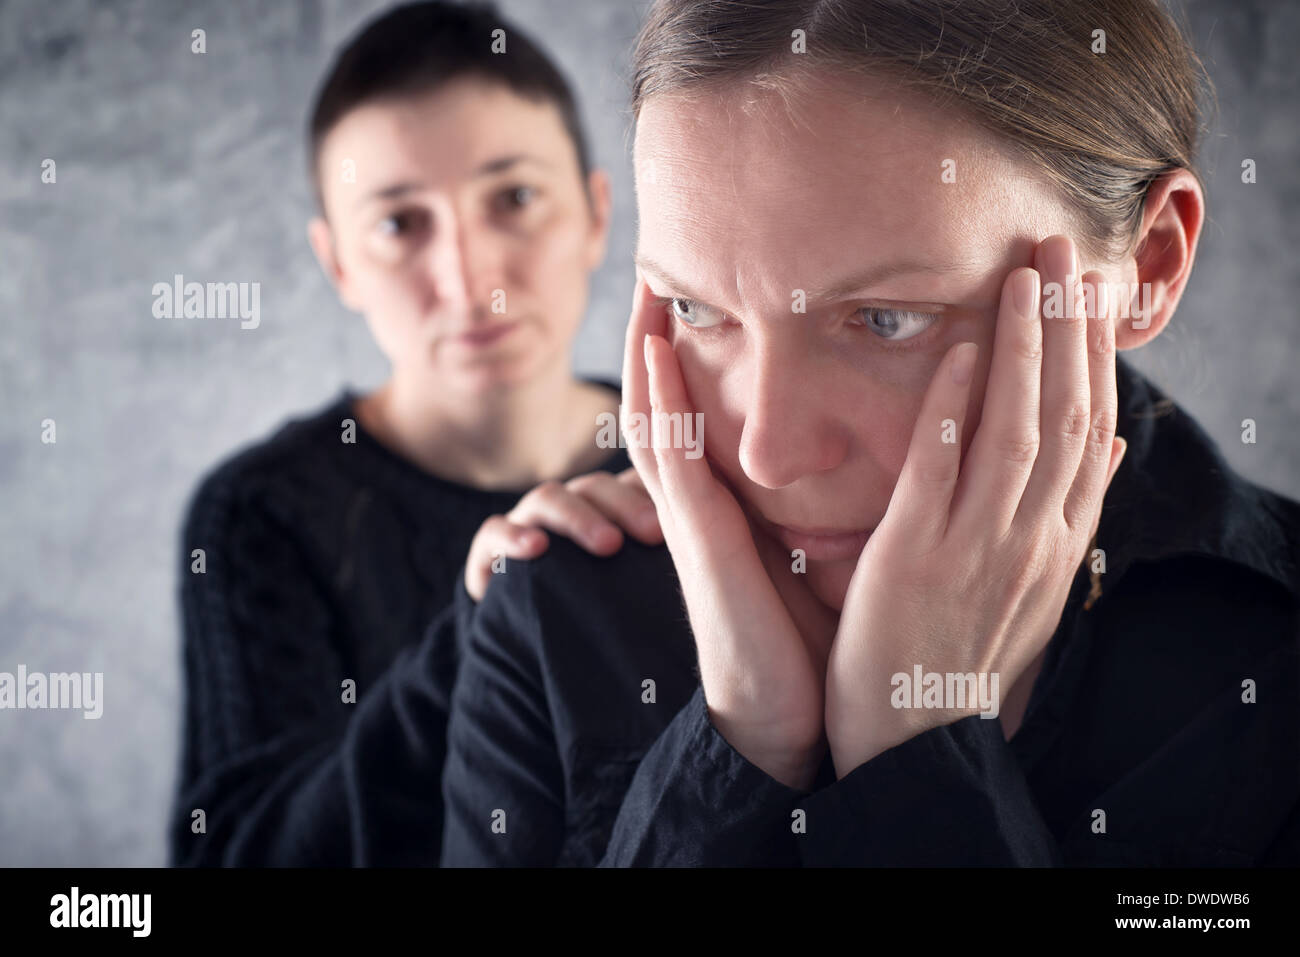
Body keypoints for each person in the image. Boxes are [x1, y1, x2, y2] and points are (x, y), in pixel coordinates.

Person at [440, 0, 1300, 866]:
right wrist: (740, 739)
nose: (767, 453)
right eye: (695, 309)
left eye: (888, 319)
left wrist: (920, 745)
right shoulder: (554, 611)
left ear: (1148, 265)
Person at [169, 1, 660, 867]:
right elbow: (237, 853)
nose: (468, 281)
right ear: (339, 264)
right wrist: (488, 630)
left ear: (595, 215)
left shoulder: (697, 454)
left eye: (515, 198)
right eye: (400, 223)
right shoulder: (260, 514)